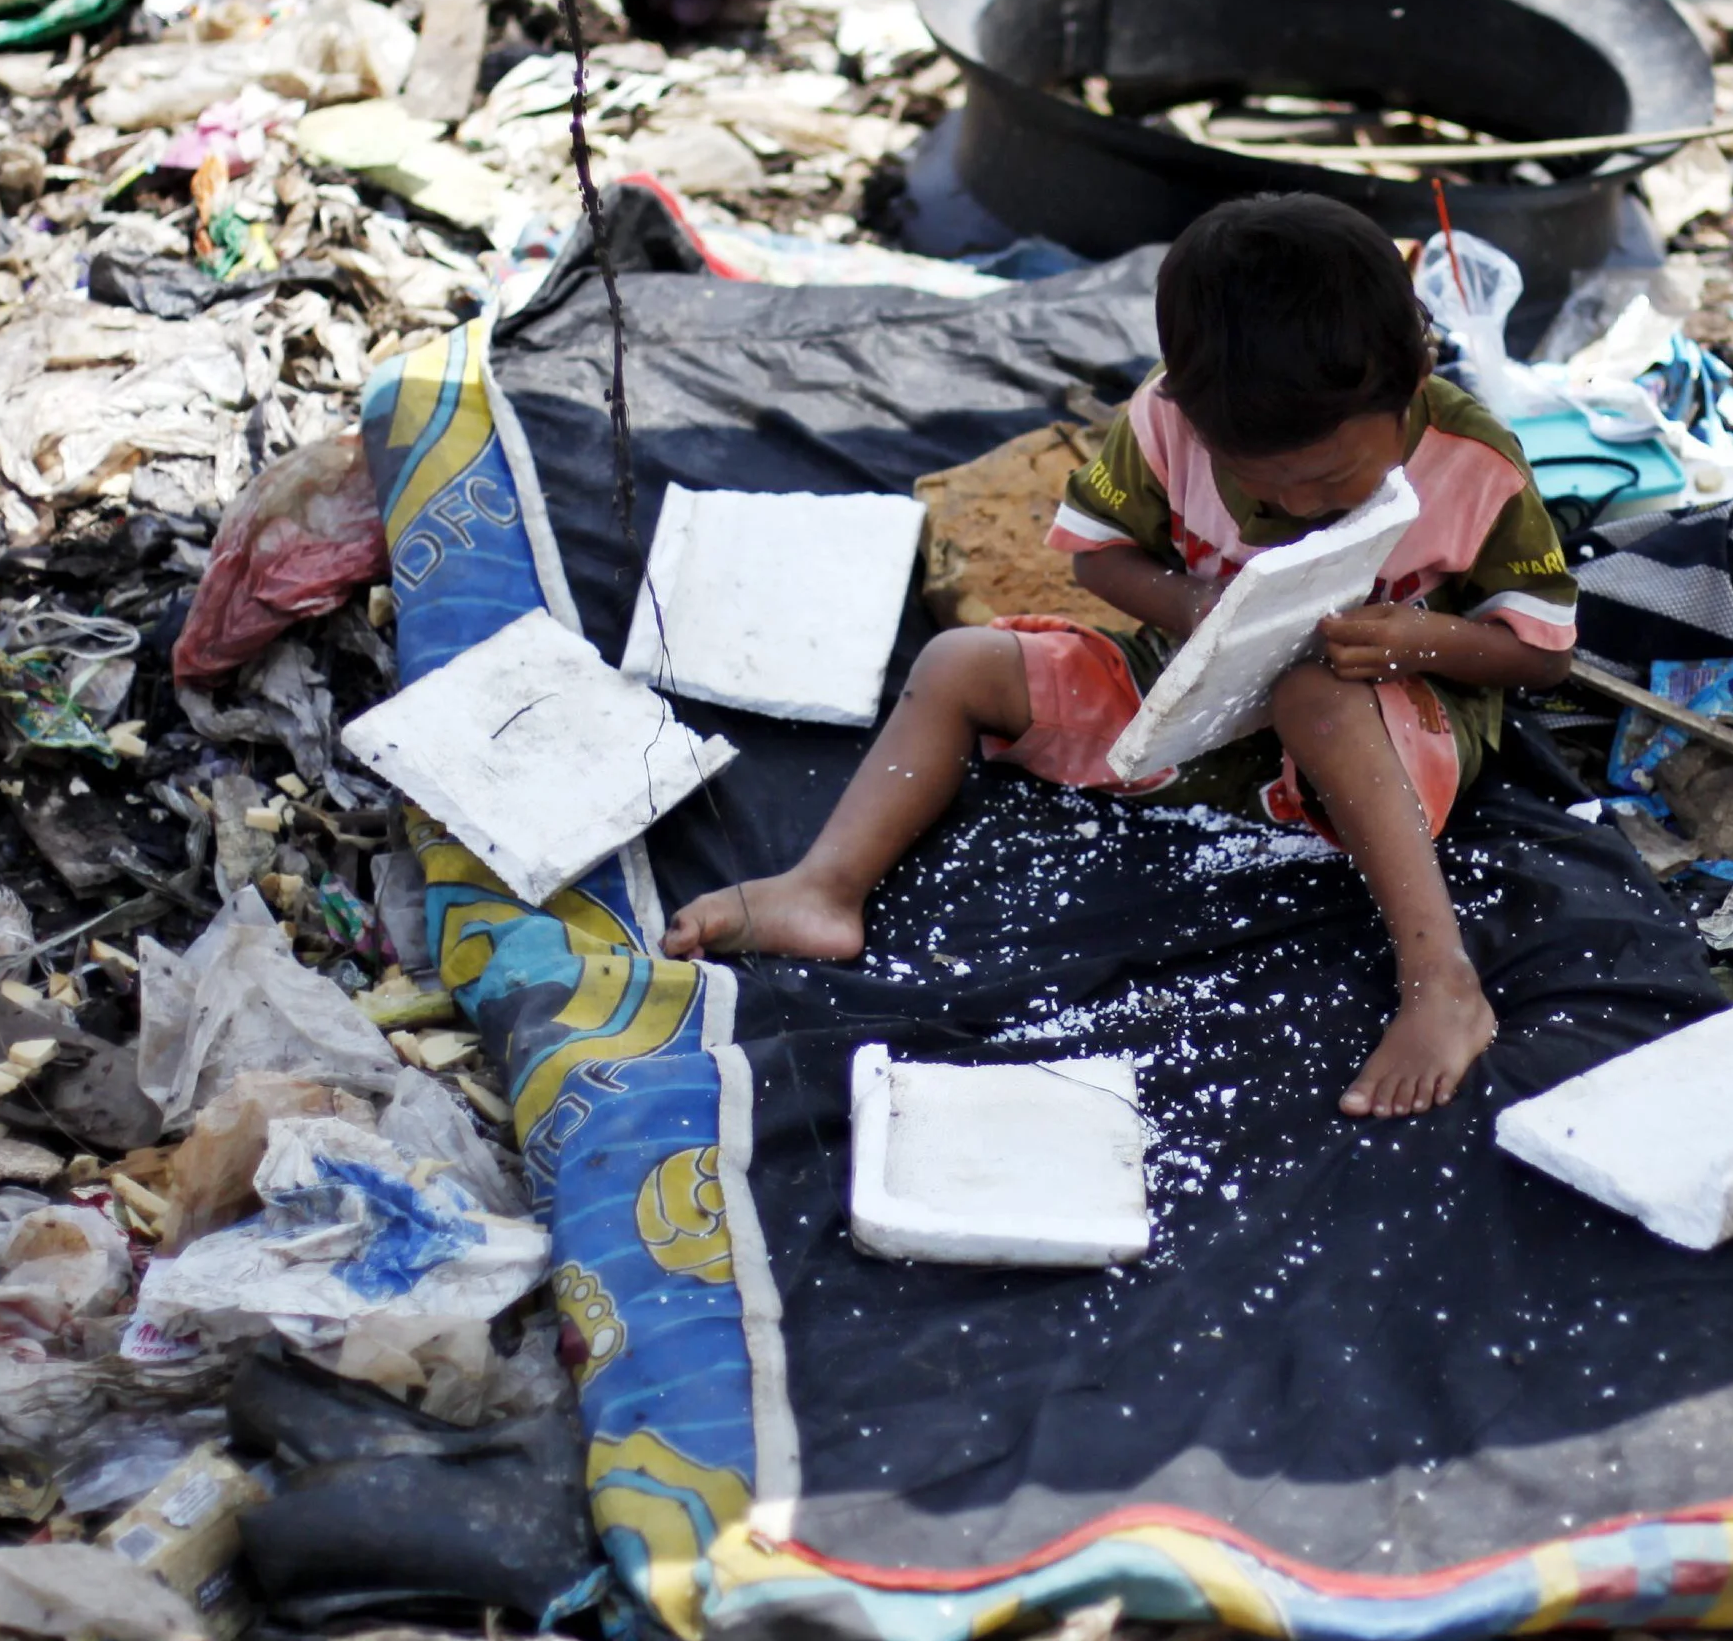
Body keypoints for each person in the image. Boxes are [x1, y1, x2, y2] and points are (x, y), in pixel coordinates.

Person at [662, 194, 1577, 1117]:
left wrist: (1417, 637)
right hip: (1194, 688)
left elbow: (1541, 656)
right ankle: (824, 888)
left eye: (1337, 482)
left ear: (1415, 377)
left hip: (1386, 725)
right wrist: (1190, 604)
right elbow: (1098, 552)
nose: (1302, 508)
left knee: (1314, 694)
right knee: (955, 663)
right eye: (1264, 485)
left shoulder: (1476, 460)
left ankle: (1441, 982)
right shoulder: (1165, 420)